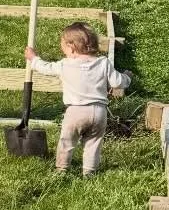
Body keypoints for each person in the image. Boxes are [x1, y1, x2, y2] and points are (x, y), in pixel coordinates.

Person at [24, 21, 130, 176]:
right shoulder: (103, 63)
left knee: (67, 142)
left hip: (75, 112)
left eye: (63, 47)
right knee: (93, 143)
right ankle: (89, 172)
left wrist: (33, 59)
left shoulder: (65, 64)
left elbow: (45, 68)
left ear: (71, 47)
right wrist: (127, 78)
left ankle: (61, 169)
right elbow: (117, 82)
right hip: (99, 112)